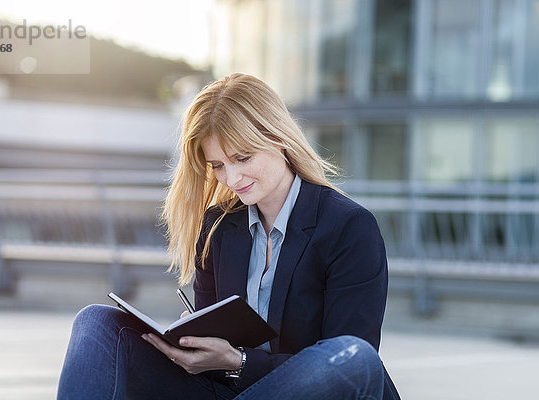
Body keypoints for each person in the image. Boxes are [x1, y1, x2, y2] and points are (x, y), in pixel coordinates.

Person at [57, 73, 400, 399]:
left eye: (242, 157)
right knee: (97, 323)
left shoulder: (348, 227)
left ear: (278, 139)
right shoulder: (219, 227)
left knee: (354, 357)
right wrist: (192, 347)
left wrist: (240, 361)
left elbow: (345, 365)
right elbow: (214, 349)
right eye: (218, 165)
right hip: (229, 391)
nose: (232, 178)